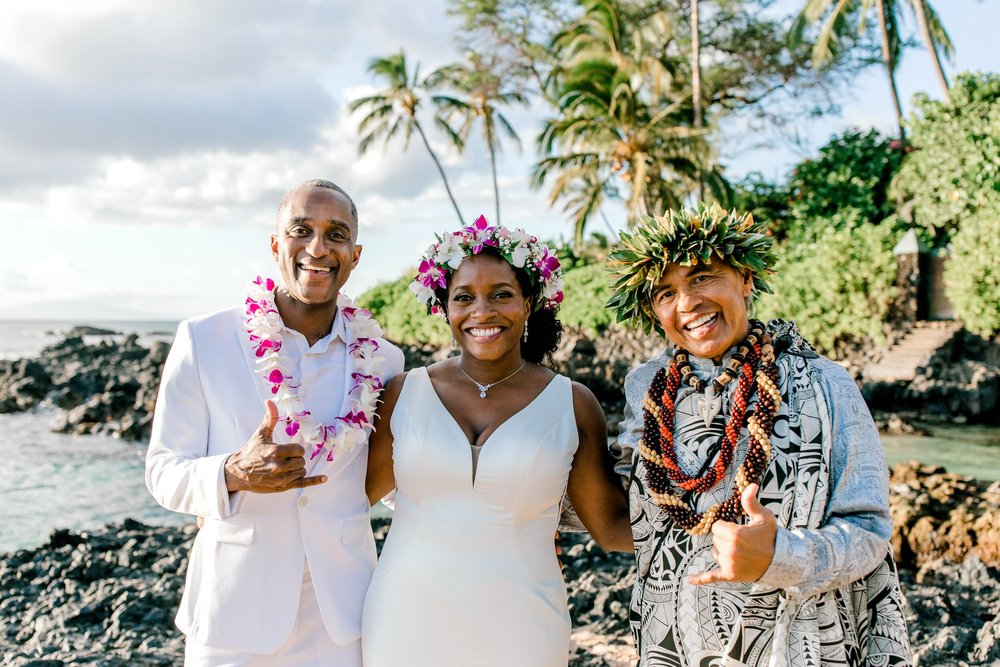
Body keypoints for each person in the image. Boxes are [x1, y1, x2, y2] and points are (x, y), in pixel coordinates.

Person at [606, 203, 911, 666]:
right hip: (676, 643)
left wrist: (780, 556)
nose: (687, 302)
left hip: (799, 646)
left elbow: (869, 531)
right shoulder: (645, 388)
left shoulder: (825, 384)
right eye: (666, 292)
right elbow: (621, 507)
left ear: (745, 278)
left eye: (703, 276)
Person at [145, 179, 404, 666]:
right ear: (274, 244)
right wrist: (232, 472)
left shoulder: (385, 361)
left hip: (341, 617)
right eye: (301, 230)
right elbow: (162, 471)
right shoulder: (204, 340)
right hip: (233, 612)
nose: (317, 248)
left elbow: (395, 480)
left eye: (336, 234)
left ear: (355, 253)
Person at [362, 215, 633, 666]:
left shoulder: (574, 403)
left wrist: (711, 526)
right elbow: (347, 503)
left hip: (523, 626)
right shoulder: (401, 393)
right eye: (463, 297)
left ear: (529, 303)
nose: (482, 311)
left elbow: (610, 526)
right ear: (444, 307)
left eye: (501, 295)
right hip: (403, 617)